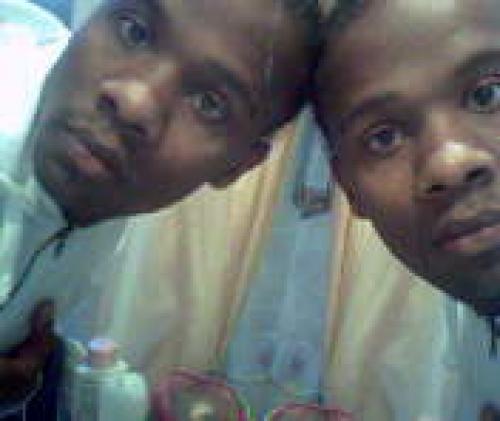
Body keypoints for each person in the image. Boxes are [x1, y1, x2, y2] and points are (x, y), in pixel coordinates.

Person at [0, 0, 319, 416]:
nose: (134, 102)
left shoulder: (104, 195)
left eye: (209, 103)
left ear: (237, 166)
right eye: (134, 31)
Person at [314, 0, 500, 418]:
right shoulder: (466, 331)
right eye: (384, 138)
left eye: (488, 94)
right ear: (349, 189)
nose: (449, 164)